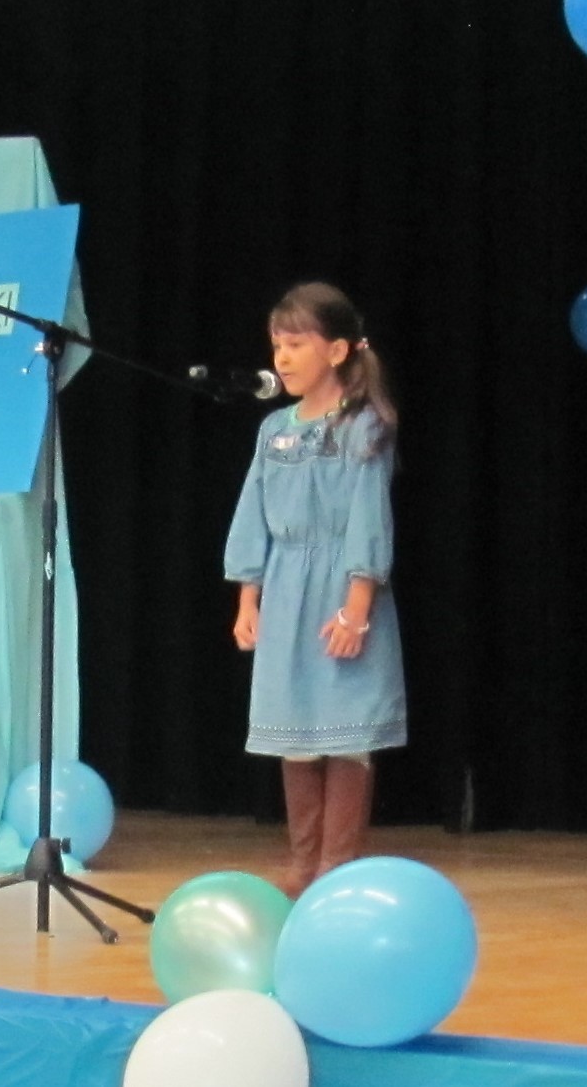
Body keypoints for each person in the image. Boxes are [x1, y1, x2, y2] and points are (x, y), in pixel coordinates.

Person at [222, 282, 406, 898]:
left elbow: (368, 518)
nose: (282, 357)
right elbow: (252, 514)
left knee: (345, 731)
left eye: (296, 344)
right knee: (294, 731)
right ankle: (303, 865)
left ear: (336, 350)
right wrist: (248, 598)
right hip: (286, 589)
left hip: (339, 589)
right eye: (277, 344)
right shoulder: (273, 429)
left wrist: (357, 607)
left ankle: (336, 867)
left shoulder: (362, 426)